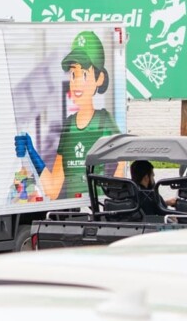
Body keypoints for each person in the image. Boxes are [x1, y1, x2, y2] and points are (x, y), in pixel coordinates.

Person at [15, 31, 124, 200]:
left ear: (99, 78)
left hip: (99, 208)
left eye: (84, 74)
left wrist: (116, 198)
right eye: (73, 75)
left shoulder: (104, 121)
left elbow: (121, 161)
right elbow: (52, 189)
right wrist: (32, 151)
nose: (76, 83)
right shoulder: (69, 125)